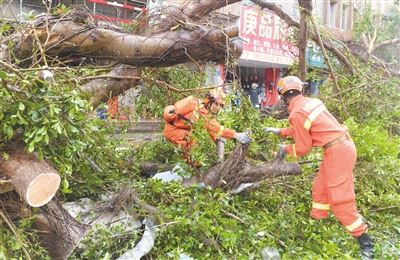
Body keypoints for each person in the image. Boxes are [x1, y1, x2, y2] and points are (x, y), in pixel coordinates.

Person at [263, 76, 373, 259]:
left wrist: (286, 149)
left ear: (283, 97)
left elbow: (303, 148)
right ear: (300, 90)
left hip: (338, 153)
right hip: (339, 148)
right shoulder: (311, 103)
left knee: (340, 201)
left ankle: (365, 241)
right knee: (320, 189)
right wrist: (280, 131)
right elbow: (308, 128)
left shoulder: (296, 113)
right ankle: (318, 222)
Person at [163, 87, 251, 164]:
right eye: (216, 104)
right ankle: (193, 168)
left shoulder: (201, 107)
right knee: (192, 142)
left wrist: (216, 140)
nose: (218, 108)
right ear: (209, 101)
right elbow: (217, 129)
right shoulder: (202, 112)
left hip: (175, 130)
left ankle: (192, 165)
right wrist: (237, 135)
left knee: (195, 138)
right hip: (173, 131)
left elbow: (211, 130)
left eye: (221, 105)